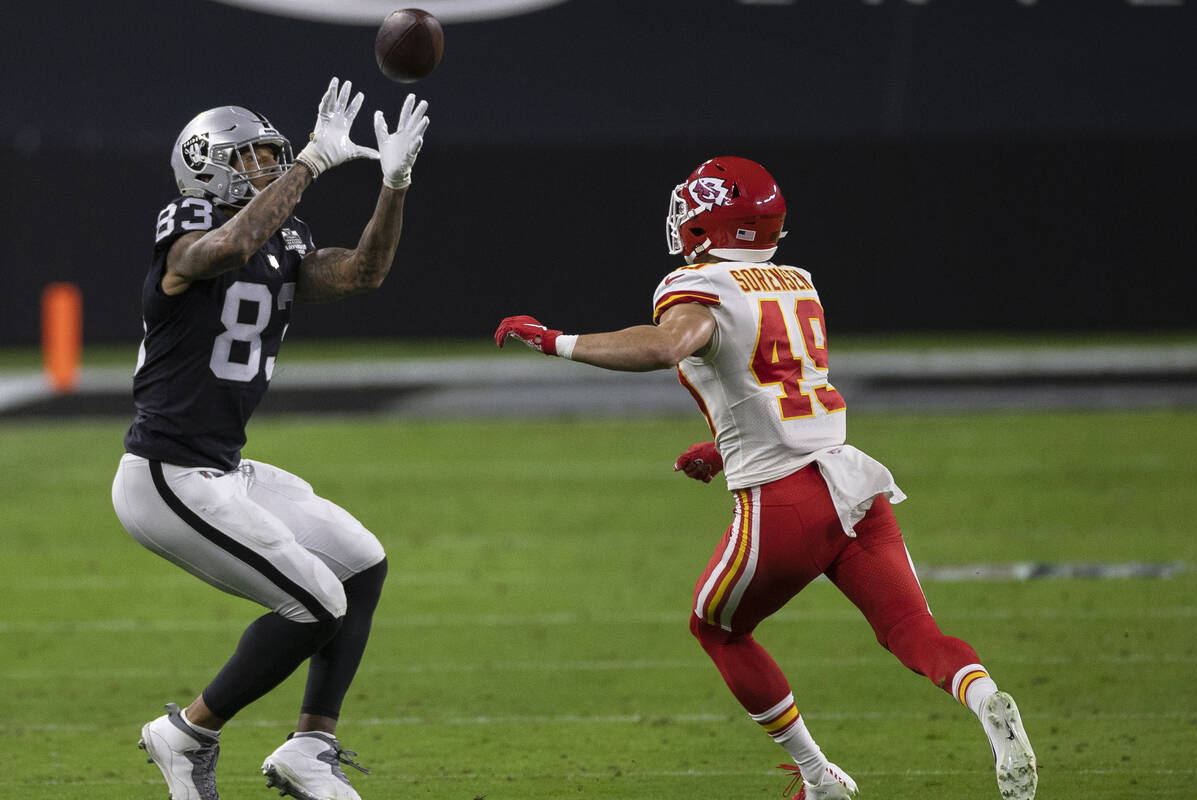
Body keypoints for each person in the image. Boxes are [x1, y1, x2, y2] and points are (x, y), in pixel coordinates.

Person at [493, 156, 1038, 800]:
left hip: (785, 505)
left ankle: (818, 778)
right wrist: (724, 448)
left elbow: (667, 345)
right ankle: (984, 699)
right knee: (912, 631)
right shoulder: (795, 282)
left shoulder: (701, 288)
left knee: (716, 629)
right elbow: (780, 391)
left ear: (714, 219)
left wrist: (558, 341)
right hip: (852, 486)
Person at [110, 77, 429, 800]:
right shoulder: (187, 228)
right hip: (166, 475)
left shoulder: (281, 234)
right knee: (316, 602)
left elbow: (362, 272)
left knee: (361, 565)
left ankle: (311, 746)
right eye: (249, 158)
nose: (265, 166)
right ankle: (187, 732)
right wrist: (311, 164)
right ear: (204, 166)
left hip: (221, 469)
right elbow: (230, 243)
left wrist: (395, 185)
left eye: (269, 156)